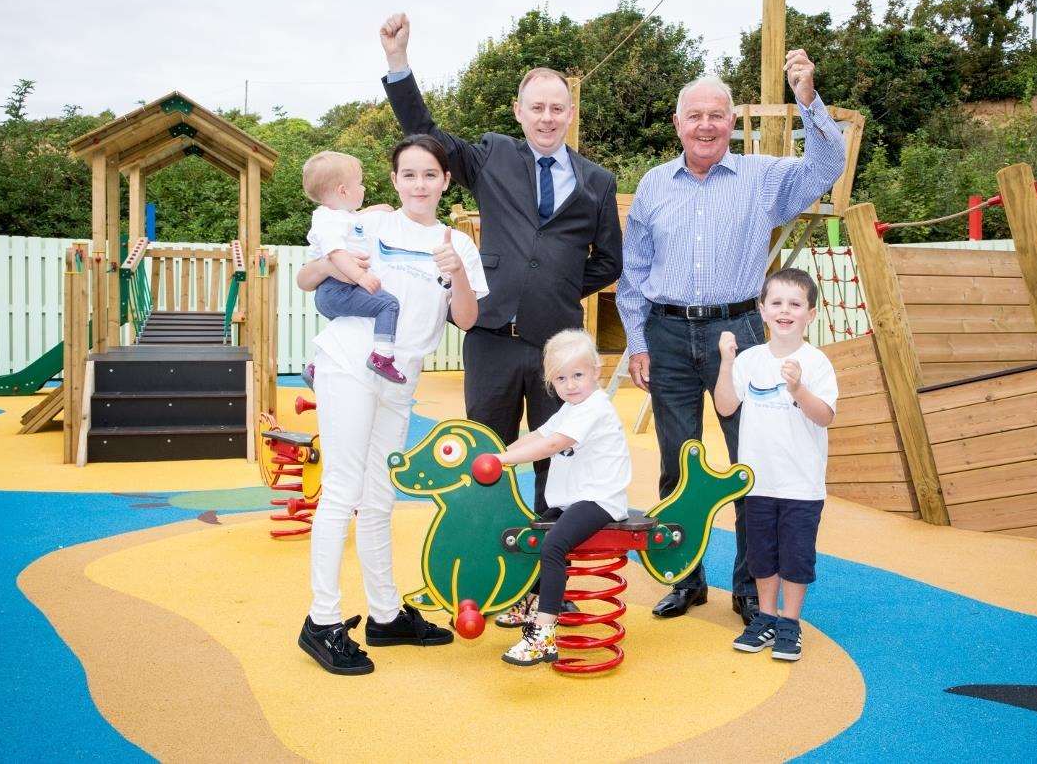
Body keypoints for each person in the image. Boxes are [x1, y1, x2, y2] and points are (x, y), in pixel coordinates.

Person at [616, 51, 846, 623]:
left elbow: (826, 166)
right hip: (666, 333)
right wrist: (637, 340)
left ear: (731, 122)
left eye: (717, 115)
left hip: (739, 330)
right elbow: (634, 270)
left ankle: (749, 588)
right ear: (678, 124)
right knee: (677, 464)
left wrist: (807, 96)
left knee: (750, 464)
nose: (706, 125)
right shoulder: (652, 185)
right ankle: (685, 578)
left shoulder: (762, 178)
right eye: (695, 116)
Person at [378, 13, 622, 524]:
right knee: (483, 455)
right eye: (537, 107)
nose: (547, 117)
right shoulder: (492, 155)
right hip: (490, 335)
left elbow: (610, 261)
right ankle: (485, 561)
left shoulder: (597, 181)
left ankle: (540, 581)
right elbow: (425, 134)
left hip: (555, 345)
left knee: (555, 460)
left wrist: (556, 283)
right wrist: (398, 63)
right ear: (519, 111)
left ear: (571, 113)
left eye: (558, 108)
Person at [294, 135, 488, 675]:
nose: (420, 184)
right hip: (354, 360)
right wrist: (334, 267)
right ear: (396, 180)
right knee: (342, 489)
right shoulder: (370, 224)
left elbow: (467, 319)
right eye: (409, 174)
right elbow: (308, 276)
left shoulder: (459, 243)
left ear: (446, 180)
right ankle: (322, 621)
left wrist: (459, 273)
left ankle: (384, 615)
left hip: (401, 375)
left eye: (430, 174)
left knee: (380, 496)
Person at [713, 268, 836, 661]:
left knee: (796, 557)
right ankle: (765, 617)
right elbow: (725, 406)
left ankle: (790, 622)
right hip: (758, 483)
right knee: (761, 556)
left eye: (795, 304)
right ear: (762, 311)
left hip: (800, 484)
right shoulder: (750, 360)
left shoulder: (816, 363)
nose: (786, 311)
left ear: (810, 314)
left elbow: (824, 416)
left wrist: (798, 388)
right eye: (777, 303)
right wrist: (726, 361)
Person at [491, 329, 631, 666]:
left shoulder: (593, 407)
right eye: (561, 378)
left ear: (597, 371)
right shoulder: (570, 407)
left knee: (554, 545)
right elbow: (538, 434)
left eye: (578, 375)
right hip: (576, 499)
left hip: (600, 500)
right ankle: (532, 602)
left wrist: (503, 461)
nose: (570, 385)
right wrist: (496, 453)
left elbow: (553, 444)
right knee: (534, 533)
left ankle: (543, 634)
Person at [299, 150, 404, 387]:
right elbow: (336, 253)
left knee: (349, 328)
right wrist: (361, 276)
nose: (364, 188)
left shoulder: (340, 216)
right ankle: (382, 357)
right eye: (360, 183)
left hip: (334, 290)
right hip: (336, 289)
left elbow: (354, 219)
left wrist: (377, 209)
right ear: (343, 191)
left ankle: (318, 365)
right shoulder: (327, 221)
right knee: (388, 304)